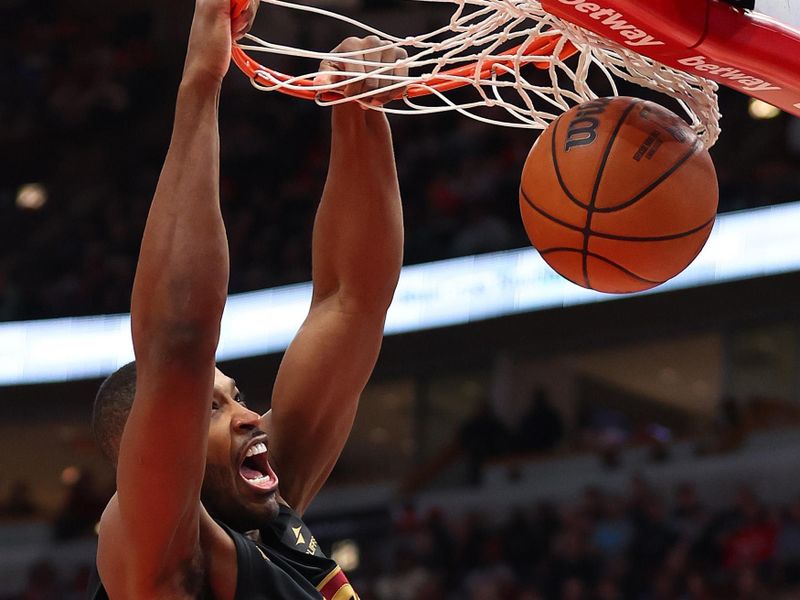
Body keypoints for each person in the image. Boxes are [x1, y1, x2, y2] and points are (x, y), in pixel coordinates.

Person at [88, 0, 407, 597]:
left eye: (235, 399)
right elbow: (178, 347)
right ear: (144, 442)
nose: (250, 417)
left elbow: (352, 301)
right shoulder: (149, 558)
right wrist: (201, 84)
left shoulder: (267, 516)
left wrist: (357, 116)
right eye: (212, 409)